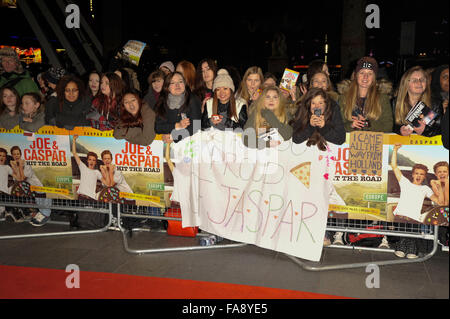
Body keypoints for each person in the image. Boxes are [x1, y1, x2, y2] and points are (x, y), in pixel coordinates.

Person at [390, 143, 444, 258]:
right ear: (413, 175)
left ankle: (410, 249)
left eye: (422, 174)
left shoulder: (425, 189)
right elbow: (394, 166)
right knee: (404, 237)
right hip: (400, 217)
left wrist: (438, 186)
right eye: (417, 173)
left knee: (412, 239)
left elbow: (439, 201)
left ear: (424, 176)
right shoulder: (405, 183)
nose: (419, 176)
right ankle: (402, 246)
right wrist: (395, 150)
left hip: (414, 219)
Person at [338, 56, 393, 133]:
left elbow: (388, 126)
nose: (365, 77)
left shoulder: (382, 98)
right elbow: (337, 125)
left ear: (374, 77)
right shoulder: (344, 98)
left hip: (374, 143)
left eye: (370, 73)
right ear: (356, 75)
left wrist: (367, 124)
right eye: (362, 72)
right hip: (350, 143)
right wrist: (351, 125)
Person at [154, 72, 202, 143]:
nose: (177, 85)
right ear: (167, 87)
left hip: (189, 144)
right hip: (169, 144)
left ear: (185, 84)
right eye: (172, 83)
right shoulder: (163, 102)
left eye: (180, 81)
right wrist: (177, 125)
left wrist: (174, 135)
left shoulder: (193, 99)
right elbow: (158, 127)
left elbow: (196, 127)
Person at [9, 145, 51, 226]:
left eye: (18, 154)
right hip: (29, 190)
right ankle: (40, 215)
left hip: (38, 188)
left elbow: (22, 179)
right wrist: (15, 167)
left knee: (42, 204)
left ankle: (45, 215)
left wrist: (20, 166)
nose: (16, 156)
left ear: (20, 154)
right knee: (37, 205)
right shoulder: (14, 165)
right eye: (14, 154)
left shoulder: (26, 164)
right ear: (12, 155)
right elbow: (17, 180)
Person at [392, 66, 438, 137]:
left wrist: (425, 131)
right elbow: (390, 126)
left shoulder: (435, 103)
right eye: (414, 80)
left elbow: (441, 129)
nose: (419, 83)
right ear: (405, 84)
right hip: (402, 146)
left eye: (422, 80)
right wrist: (400, 130)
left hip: (427, 146)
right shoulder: (395, 103)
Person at [71, 135, 103, 201]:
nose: (91, 162)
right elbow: (74, 153)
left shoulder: (97, 172)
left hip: (92, 199)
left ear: (95, 162)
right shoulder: (83, 167)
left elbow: (105, 182)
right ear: (87, 160)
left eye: (93, 160)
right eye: (90, 159)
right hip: (81, 197)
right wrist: (74, 140)